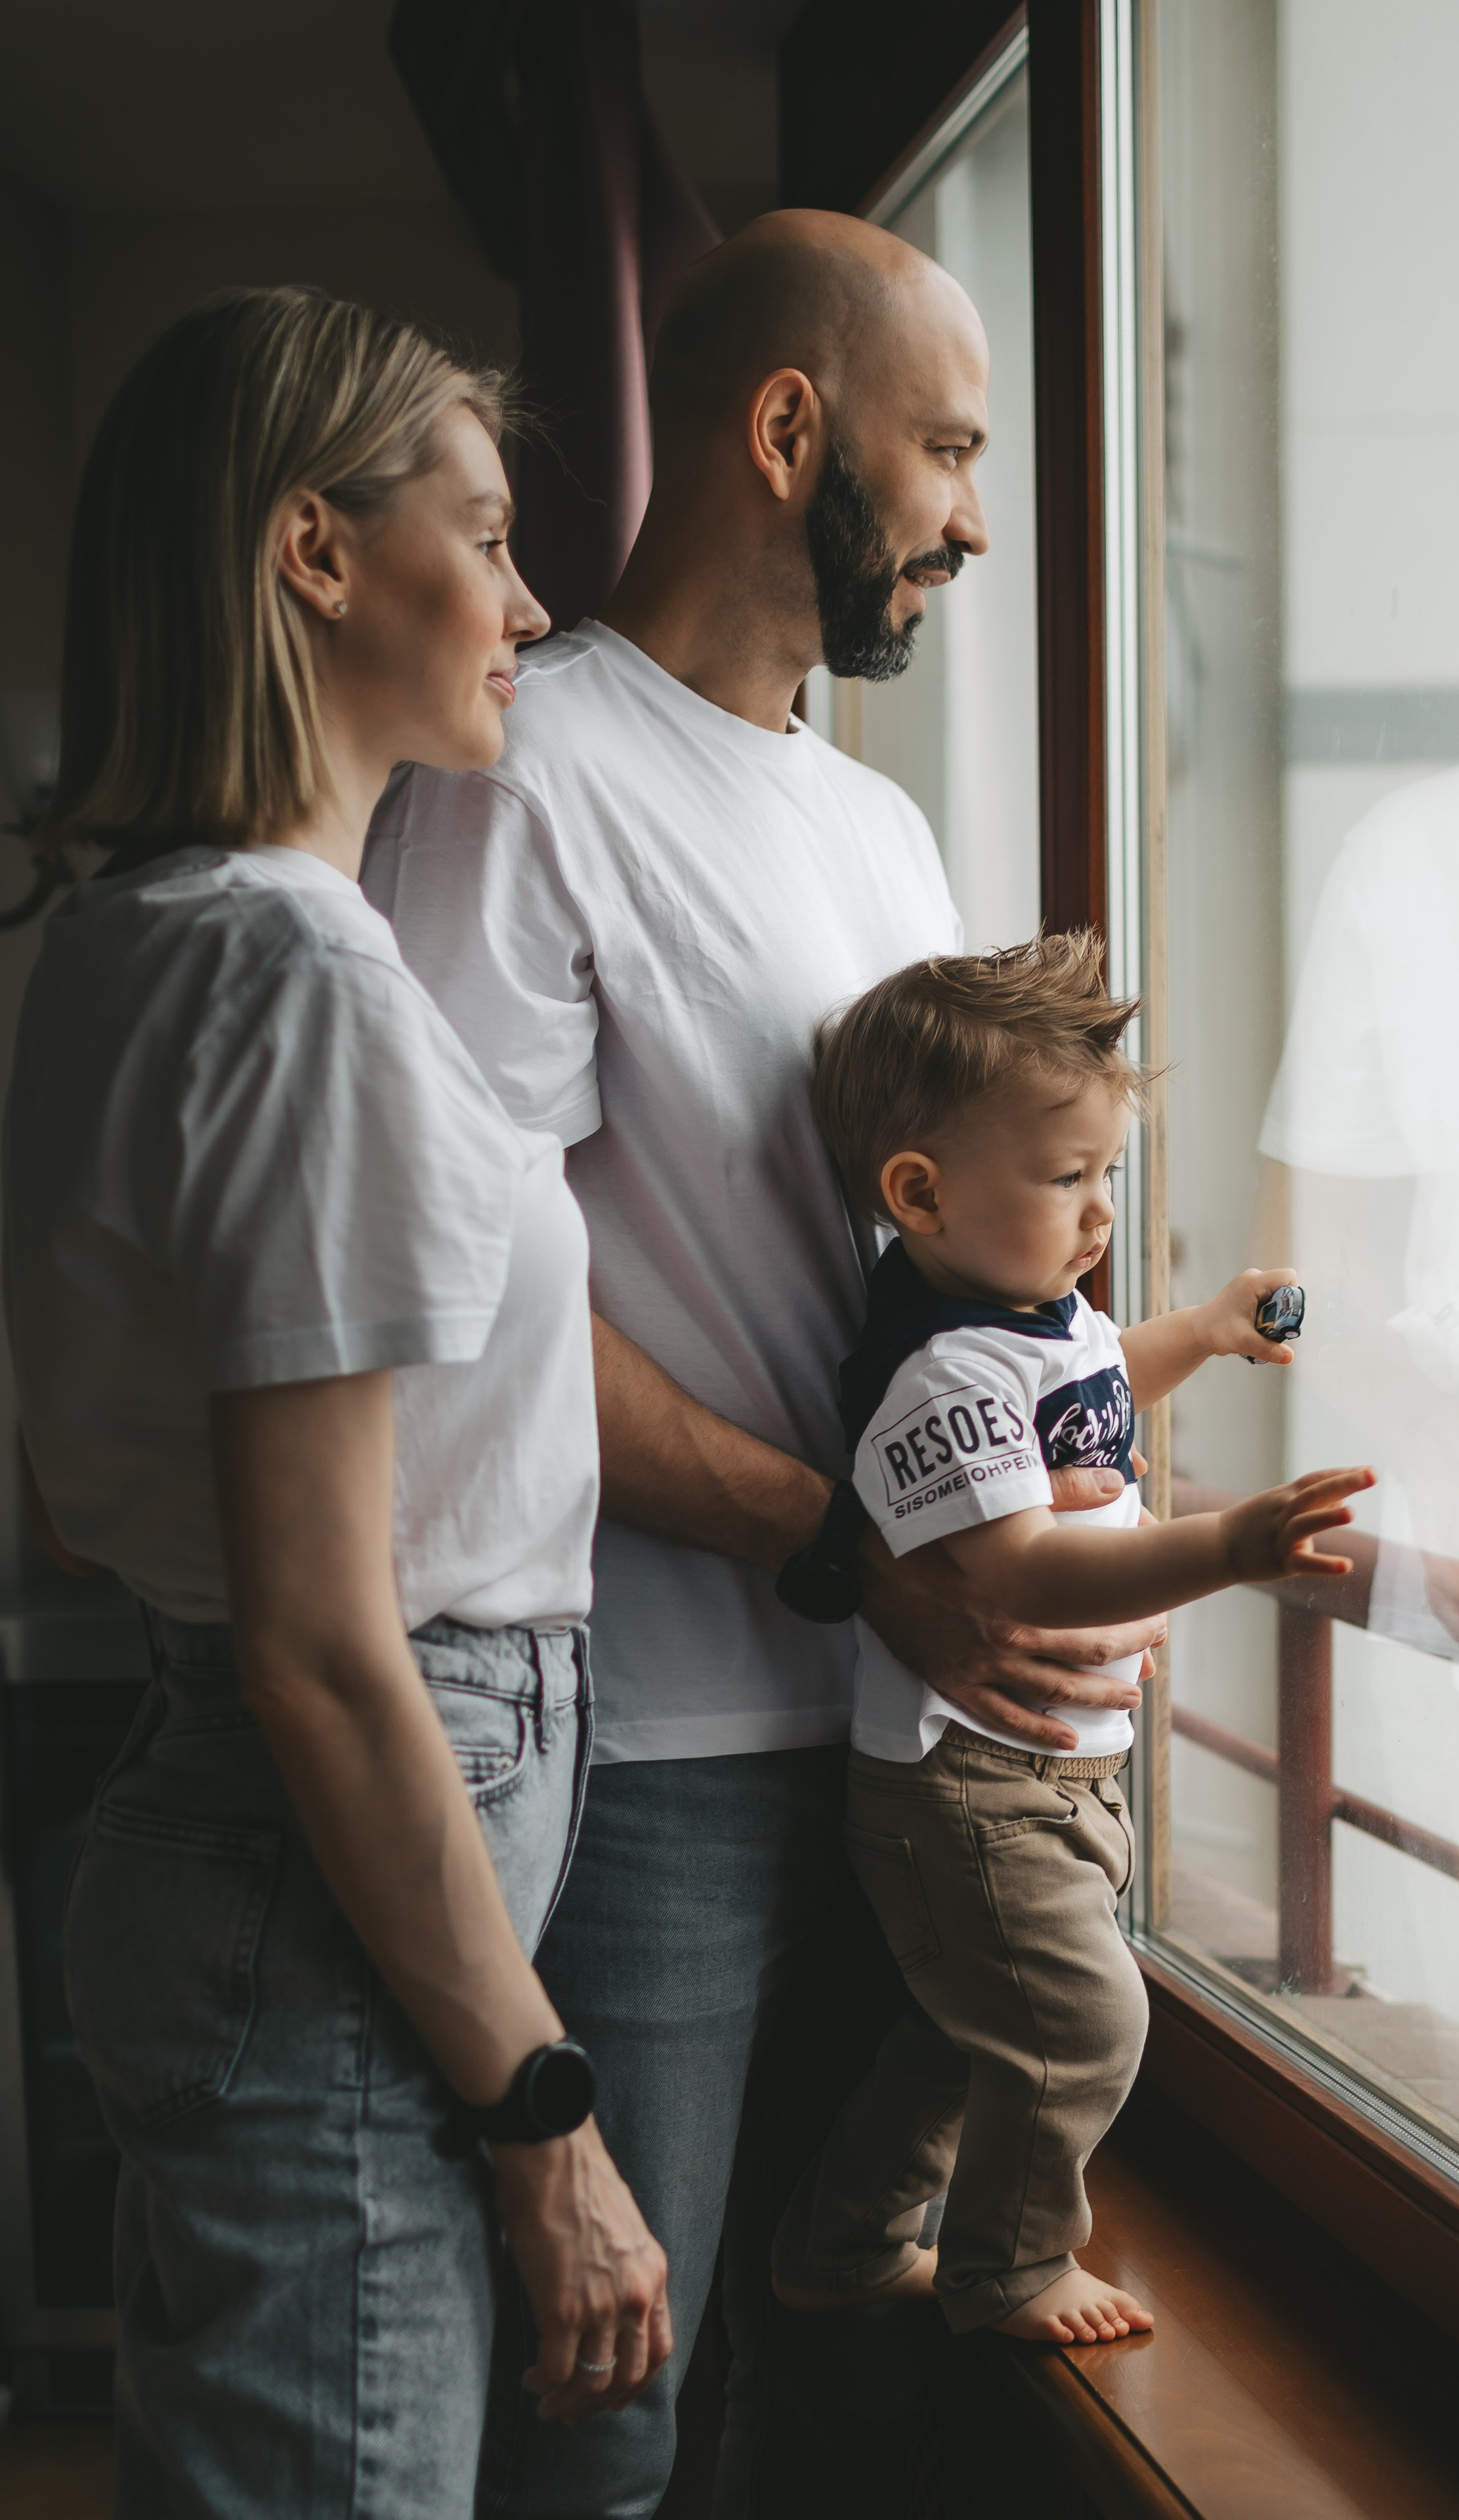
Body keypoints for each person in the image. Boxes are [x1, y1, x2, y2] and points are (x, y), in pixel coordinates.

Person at [362, 210, 1161, 2515]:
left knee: (848, 2391)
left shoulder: (881, 825)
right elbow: (466, 1309)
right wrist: (848, 1552)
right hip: (662, 1759)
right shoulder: (522, 772)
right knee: (607, 2422)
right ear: (790, 429)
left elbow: (948, 1279)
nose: (976, 519)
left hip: (931, 1758)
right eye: (951, 451)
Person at [3, 285, 669, 2518]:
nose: (530, 605)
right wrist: (543, 2121)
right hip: (330, 1887)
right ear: (314, 551)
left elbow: (95, 1505)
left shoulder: (135, 939)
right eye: (482, 538)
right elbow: (313, 1644)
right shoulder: (292, 977)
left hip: (264, 1856)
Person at [769, 934, 1372, 2339]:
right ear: (918, 1193)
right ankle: (1012, 2267)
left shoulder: (1034, 1323)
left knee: (967, 2030)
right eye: (1064, 1178)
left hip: (1043, 1772)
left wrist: (1201, 1331)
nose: (1100, 1210)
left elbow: (1099, 1385)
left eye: (1106, 1171)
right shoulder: (943, 1374)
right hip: (969, 1783)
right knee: (1086, 2030)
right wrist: (1225, 1546)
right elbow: (1022, 1574)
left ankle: (846, 2241)